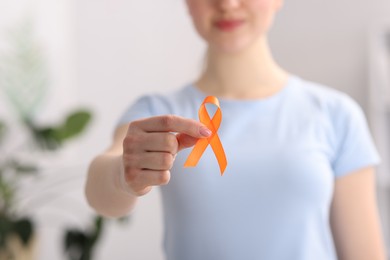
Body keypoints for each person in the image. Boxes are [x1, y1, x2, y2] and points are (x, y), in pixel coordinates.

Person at [85, 0, 387, 259]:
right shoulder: (155, 113)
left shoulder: (336, 115)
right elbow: (101, 190)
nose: (227, 3)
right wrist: (123, 176)